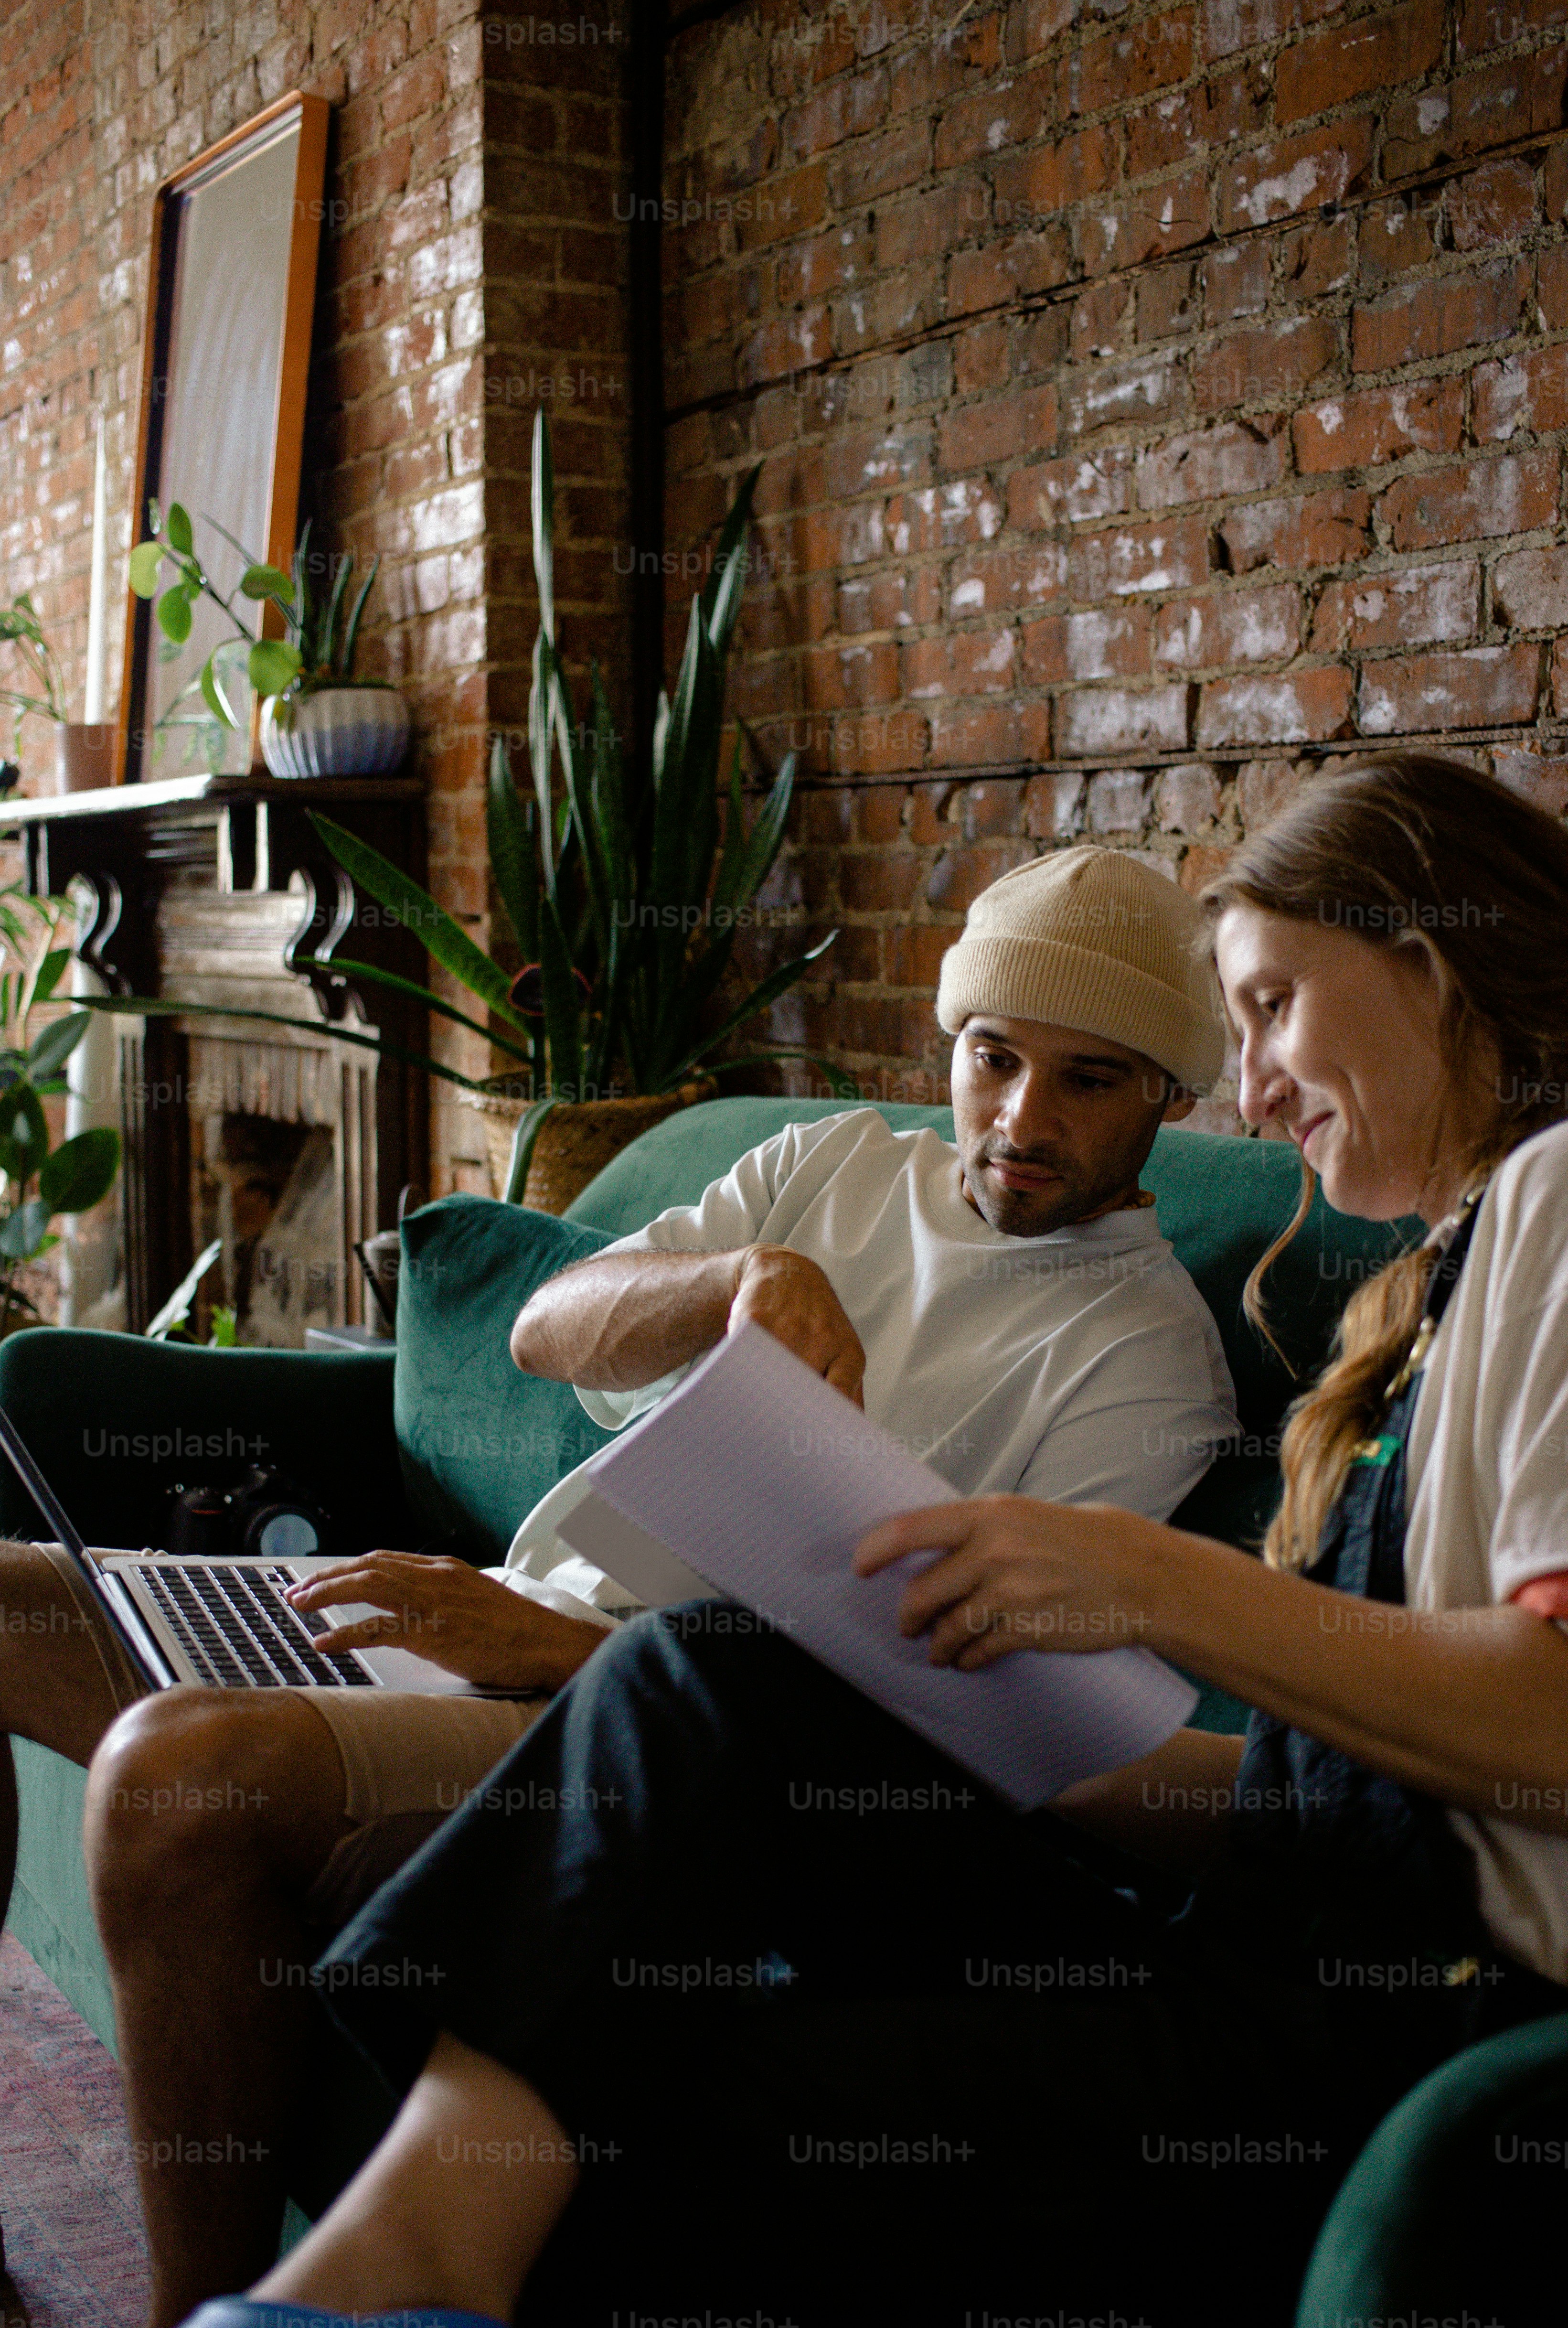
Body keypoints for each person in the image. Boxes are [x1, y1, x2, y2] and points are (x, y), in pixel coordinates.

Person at [191, 752, 1568, 2328]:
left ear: (1431, 959)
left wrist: (1145, 1582)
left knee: (680, 2093)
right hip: (1251, 1945)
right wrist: (1003, 1716)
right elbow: (1318, 1806)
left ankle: (367, 2291)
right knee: (707, 1676)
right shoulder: (1437, 1285)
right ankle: (372, 2286)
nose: (1251, 1091)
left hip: (1352, 2038)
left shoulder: (1557, 1199)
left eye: (1267, 1007)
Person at [1, 847, 1237, 2324]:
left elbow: (954, 1721)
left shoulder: (1144, 1358)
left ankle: (208, 2311)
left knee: (177, 1771)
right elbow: (543, 1327)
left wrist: (557, 1649)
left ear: (1169, 1096)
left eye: (1090, 1079)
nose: (1022, 1118)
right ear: (949, 1044)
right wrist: (734, 1283)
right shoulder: (835, 1161)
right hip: (478, 1622)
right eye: (993, 1058)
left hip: (624, 1732)